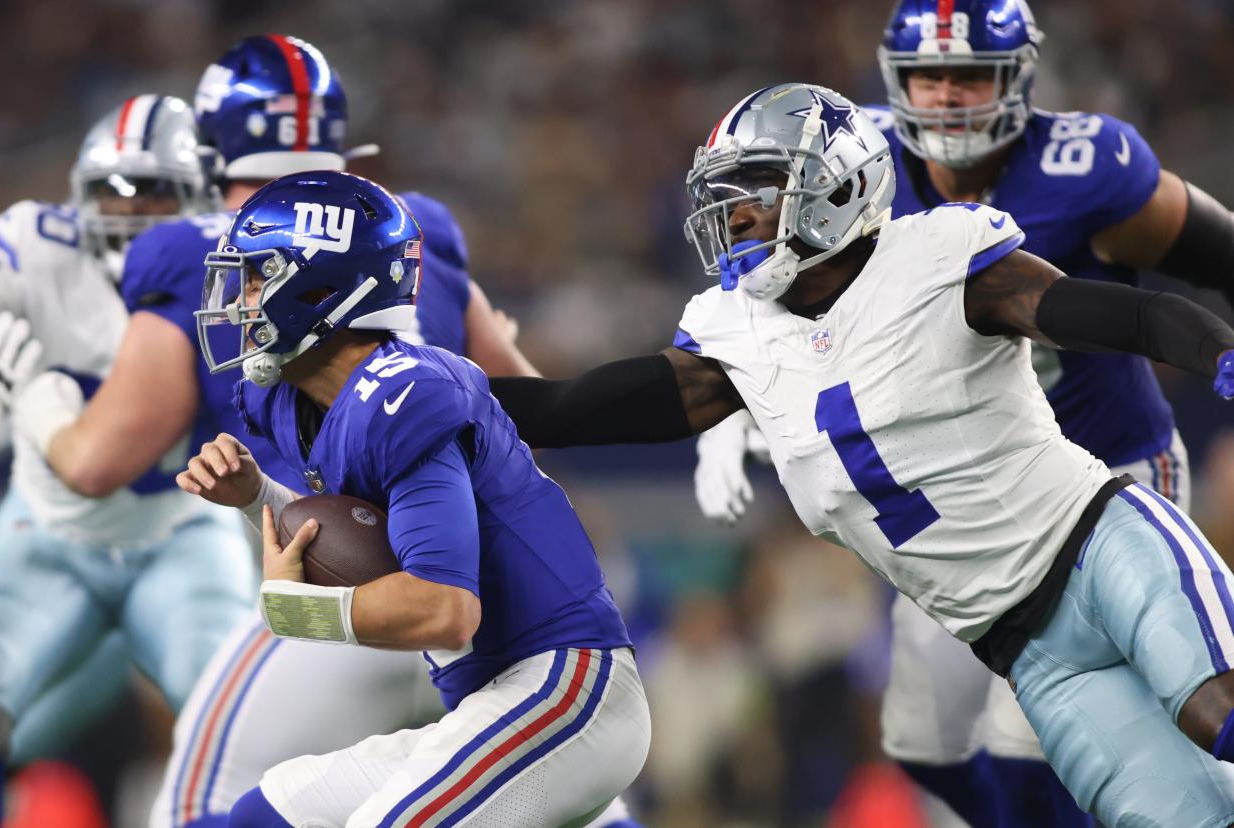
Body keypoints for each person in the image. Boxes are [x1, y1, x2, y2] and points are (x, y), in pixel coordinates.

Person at [485, 82, 1234, 826]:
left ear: (833, 186)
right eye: (724, 193)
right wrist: (431, 397)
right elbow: (569, 406)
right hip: (1025, 650)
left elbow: (1118, 314)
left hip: (1101, 548)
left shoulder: (939, 255)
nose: (733, 213)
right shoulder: (732, 336)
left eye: (756, 189)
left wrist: (1217, 351)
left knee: (1219, 713)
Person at [692, 2, 1234, 824]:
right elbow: (778, 322)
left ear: (1016, 76)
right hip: (961, 500)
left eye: (969, 74)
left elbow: (1215, 253)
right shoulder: (840, 172)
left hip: (1103, 468)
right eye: (927, 76)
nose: (946, 97)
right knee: (922, 740)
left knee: (1087, 730)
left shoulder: (1083, 165)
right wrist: (734, 416)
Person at [174, 169, 650, 827]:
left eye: (258, 275)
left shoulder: (405, 393)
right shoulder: (294, 399)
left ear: (319, 288)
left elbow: (443, 609)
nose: (243, 298)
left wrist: (301, 614)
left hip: (561, 686)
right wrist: (256, 494)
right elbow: (363, 536)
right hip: (493, 700)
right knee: (263, 816)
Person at [0, 95, 253, 825]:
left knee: (234, 726)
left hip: (180, 531)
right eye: (115, 188)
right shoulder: (32, 247)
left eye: (155, 190)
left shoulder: (237, 270)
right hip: (44, 529)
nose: (131, 209)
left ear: (198, 199)